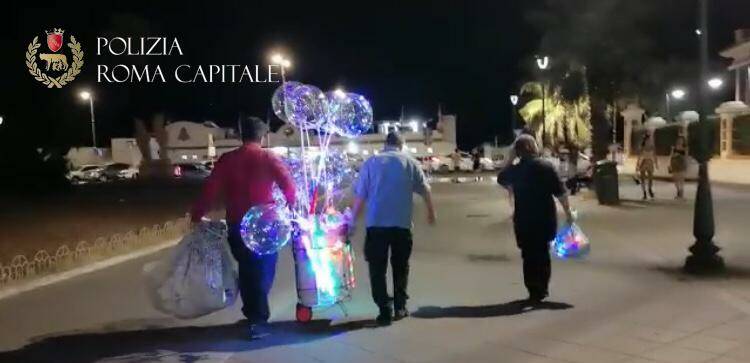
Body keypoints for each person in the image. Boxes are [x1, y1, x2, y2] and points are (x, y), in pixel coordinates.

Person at [190, 116, 296, 338]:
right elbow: (289, 185)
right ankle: (258, 319)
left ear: (240, 135)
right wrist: (290, 207)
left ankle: (252, 312)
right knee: (262, 269)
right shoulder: (268, 158)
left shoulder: (228, 160)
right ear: (263, 136)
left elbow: (210, 189)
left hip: (237, 224)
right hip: (266, 224)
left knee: (248, 269)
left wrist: (198, 214)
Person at [349, 131, 436, 326]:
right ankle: (400, 307)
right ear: (402, 145)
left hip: (376, 225)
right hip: (402, 225)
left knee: (377, 269)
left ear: (385, 144)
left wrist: (352, 221)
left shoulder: (371, 163)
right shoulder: (410, 162)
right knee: (401, 267)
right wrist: (431, 213)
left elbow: (360, 196)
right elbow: (425, 189)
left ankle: (384, 309)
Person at [497, 135, 574, 304]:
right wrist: (568, 213)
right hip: (545, 218)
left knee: (528, 255)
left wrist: (510, 159)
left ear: (518, 151)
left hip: (523, 219)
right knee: (542, 253)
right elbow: (560, 192)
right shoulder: (546, 167)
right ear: (534, 147)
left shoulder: (516, 170)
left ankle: (533, 289)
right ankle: (542, 288)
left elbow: (501, 177)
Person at [636, 133, 658, 200]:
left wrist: (656, 163)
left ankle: (649, 189)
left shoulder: (652, 147)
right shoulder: (642, 147)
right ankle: (644, 193)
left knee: (650, 178)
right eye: (647, 140)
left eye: (649, 140)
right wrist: (637, 165)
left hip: (650, 162)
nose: (649, 141)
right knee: (643, 178)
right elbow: (639, 157)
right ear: (645, 140)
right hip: (643, 162)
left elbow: (654, 156)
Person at [669, 135, 688, 199]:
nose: (680, 141)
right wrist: (670, 164)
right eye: (679, 140)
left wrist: (679, 155)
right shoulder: (674, 148)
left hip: (682, 164)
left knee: (681, 179)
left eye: (681, 140)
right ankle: (678, 191)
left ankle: (681, 193)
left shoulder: (685, 148)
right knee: (675, 179)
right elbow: (671, 156)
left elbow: (686, 156)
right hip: (674, 164)